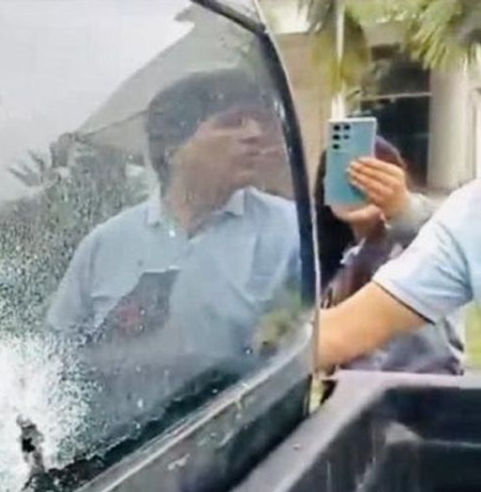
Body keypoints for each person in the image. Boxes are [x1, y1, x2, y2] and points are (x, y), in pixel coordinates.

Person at [46, 69, 300, 437]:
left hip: (245, 452)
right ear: (172, 147)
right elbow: (58, 357)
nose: (255, 135)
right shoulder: (105, 244)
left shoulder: (291, 231)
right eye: (232, 123)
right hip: (120, 461)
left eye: (259, 121)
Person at [315, 139, 462, 374]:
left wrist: (402, 207)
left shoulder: (418, 246)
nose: (357, 185)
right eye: (342, 176)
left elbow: (444, 232)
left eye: (373, 176)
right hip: (356, 401)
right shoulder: (338, 260)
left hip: (421, 396)